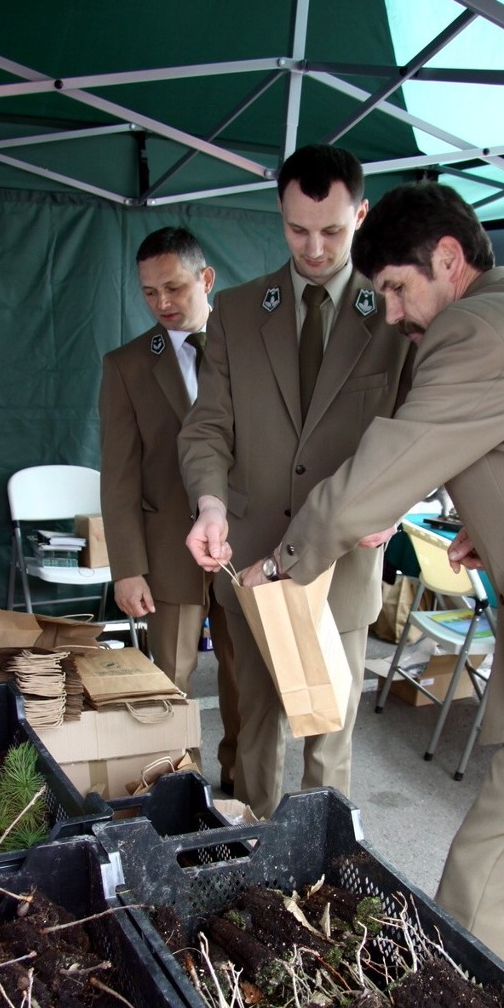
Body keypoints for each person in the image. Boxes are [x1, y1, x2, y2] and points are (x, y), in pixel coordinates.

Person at [239, 178, 504, 978]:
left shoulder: (476, 330)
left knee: (487, 872)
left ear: (447, 257)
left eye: (396, 290)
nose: (393, 316)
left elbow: (379, 474)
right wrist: (497, 522)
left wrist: (283, 564)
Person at [179, 144, 412, 817]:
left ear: (361, 215)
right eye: (297, 228)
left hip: (342, 561)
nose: (313, 247)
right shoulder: (239, 311)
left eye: (333, 230)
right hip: (250, 560)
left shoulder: (395, 317)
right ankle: (247, 867)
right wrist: (210, 503)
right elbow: (205, 428)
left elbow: (422, 431)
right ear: (278, 214)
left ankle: (323, 878)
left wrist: (396, 501)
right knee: (253, 737)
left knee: (328, 748)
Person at [100, 226, 239, 793]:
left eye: (174, 288)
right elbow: (119, 475)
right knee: (169, 688)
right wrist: (126, 566)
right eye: (149, 292)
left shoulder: (247, 352)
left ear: (206, 279)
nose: (162, 303)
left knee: (246, 688)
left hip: (241, 551)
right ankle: (175, 797)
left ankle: (242, 799)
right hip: (164, 558)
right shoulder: (126, 365)